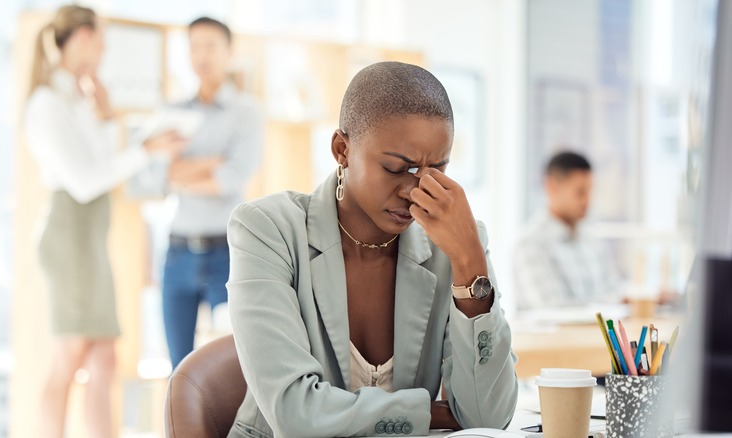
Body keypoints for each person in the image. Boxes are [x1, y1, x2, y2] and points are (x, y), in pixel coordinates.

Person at [226, 62, 517, 437]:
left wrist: (470, 265)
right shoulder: (267, 230)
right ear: (342, 149)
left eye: (438, 169)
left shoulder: (454, 243)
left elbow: (488, 418)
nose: (416, 191)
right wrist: (428, 414)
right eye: (397, 168)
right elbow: (294, 414)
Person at [23, 6, 180, 437]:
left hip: (89, 235)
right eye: (102, 41)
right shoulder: (47, 103)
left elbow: (102, 163)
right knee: (69, 356)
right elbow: (87, 180)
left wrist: (107, 115)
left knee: (104, 358)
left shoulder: (76, 99)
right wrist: (147, 150)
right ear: (81, 39)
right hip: (70, 234)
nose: (105, 52)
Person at [153, 17, 264, 369]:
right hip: (177, 252)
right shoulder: (172, 112)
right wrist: (210, 163)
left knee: (232, 366)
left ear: (229, 53)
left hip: (227, 253)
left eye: (211, 46)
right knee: (179, 369)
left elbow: (232, 176)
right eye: (194, 46)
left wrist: (184, 169)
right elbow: (158, 176)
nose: (202, 55)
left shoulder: (246, 112)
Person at [513, 151, 620, 310]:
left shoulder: (591, 239)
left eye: (590, 191)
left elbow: (613, 290)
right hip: (557, 335)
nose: (587, 200)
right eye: (580, 192)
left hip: (596, 334)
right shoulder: (530, 243)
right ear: (552, 187)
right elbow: (550, 308)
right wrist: (611, 303)